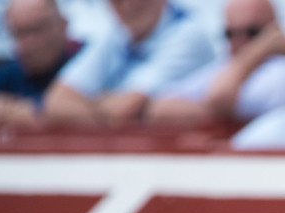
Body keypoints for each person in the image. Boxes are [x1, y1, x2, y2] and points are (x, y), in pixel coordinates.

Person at [145, 0, 285, 126]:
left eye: (252, 32)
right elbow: (158, 109)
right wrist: (216, 111)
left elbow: (219, 97)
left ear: (274, 31)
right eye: (230, 33)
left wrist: (257, 52)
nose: (238, 41)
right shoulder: (226, 69)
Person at [42, 0, 215, 125]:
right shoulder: (115, 34)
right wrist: (107, 111)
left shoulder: (189, 36)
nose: (129, 4)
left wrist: (89, 102)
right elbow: (55, 103)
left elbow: (125, 110)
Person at [0, 0, 79, 126]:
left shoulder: (86, 62)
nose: (27, 44)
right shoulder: (14, 70)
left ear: (63, 25)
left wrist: (22, 111)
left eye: (36, 30)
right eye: (18, 34)